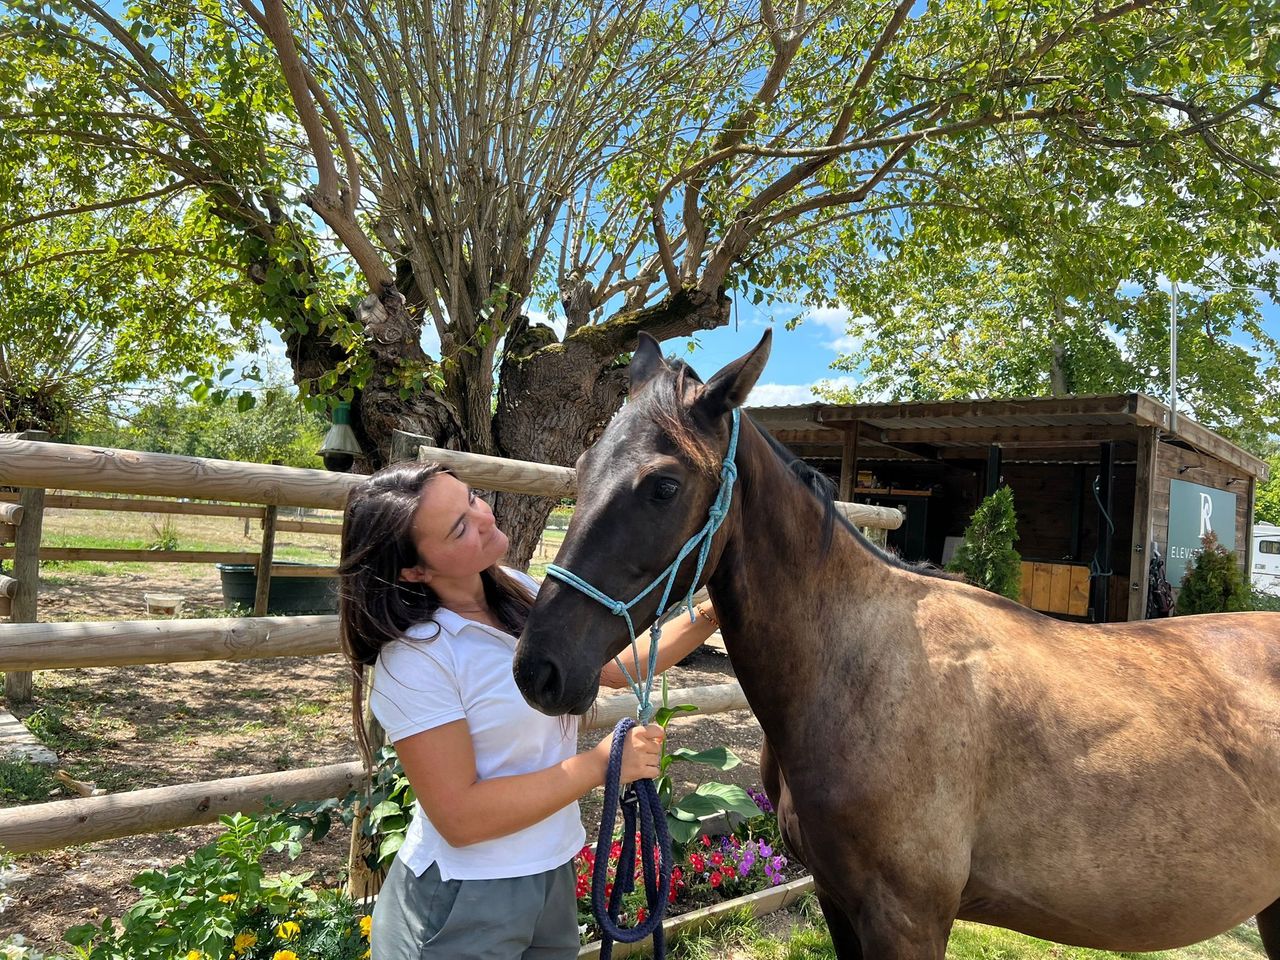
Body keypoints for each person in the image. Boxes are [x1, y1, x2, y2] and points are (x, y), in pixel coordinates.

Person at [338, 461, 721, 959]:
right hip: (464, 896)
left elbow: (613, 667)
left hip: (551, 871)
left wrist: (714, 611)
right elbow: (460, 817)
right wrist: (600, 766)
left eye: (471, 498)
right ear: (415, 569)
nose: (484, 516)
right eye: (459, 526)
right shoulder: (416, 657)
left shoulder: (517, 591)